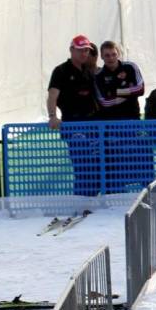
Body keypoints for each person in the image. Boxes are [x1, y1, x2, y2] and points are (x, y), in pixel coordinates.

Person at [46, 35, 101, 198]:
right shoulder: (61, 71)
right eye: (80, 50)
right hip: (73, 125)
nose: (84, 54)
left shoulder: (89, 71)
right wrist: (52, 116)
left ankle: (93, 198)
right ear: (71, 50)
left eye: (86, 51)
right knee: (81, 163)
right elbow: (52, 96)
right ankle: (81, 199)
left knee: (96, 164)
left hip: (93, 124)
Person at [96, 39, 153, 191]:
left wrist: (116, 93)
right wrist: (128, 93)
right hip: (112, 125)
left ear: (119, 54)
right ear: (102, 57)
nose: (111, 58)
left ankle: (147, 187)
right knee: (115, 158)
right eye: (107, 55)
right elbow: (104, 102)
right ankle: (116, 190)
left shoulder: (130, 67)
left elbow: (140, 89)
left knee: (141, 152)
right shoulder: (99, 76)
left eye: (113, 54)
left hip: (133, 120)